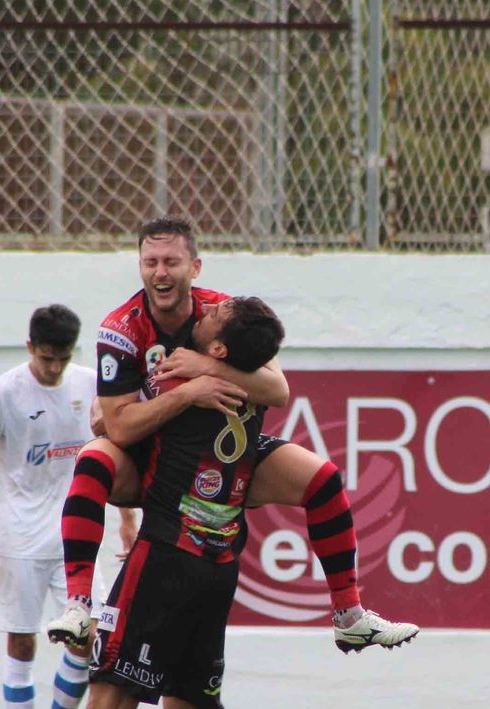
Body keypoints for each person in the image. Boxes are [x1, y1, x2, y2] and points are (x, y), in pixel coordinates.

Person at [47, 216, 419, 653]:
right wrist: (190, 395)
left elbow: (277, 389)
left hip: (221, 462)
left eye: (171, 261)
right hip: (150, 460)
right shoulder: (122, 329)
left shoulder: (222, 315)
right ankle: (78, 606)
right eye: (150, 262)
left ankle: (349, 616)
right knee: (93, 457)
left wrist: (204, 367)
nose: (160, 272)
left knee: (323, 479)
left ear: (195, 267)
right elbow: (120, 426)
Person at [70, 295, 285, 709]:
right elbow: (276, 387)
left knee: (109, 705)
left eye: (217, 318)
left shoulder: (182, 370)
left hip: (166, 554)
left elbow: (110, 424)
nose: (207, 313)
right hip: (220, 562)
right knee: (187, 708)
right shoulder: (247, 383)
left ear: (217, 348)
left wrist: (162, 391)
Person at [0, 304, 137, 709]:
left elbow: (114, 450)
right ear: (29, 349)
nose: (54, 368)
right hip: (19, 539)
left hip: (77, 537)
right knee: (22, 641)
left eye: (61, 359)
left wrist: (126, 517)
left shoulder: (89, 386)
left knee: (91, 638)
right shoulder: (2, 392)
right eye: (45, 359)